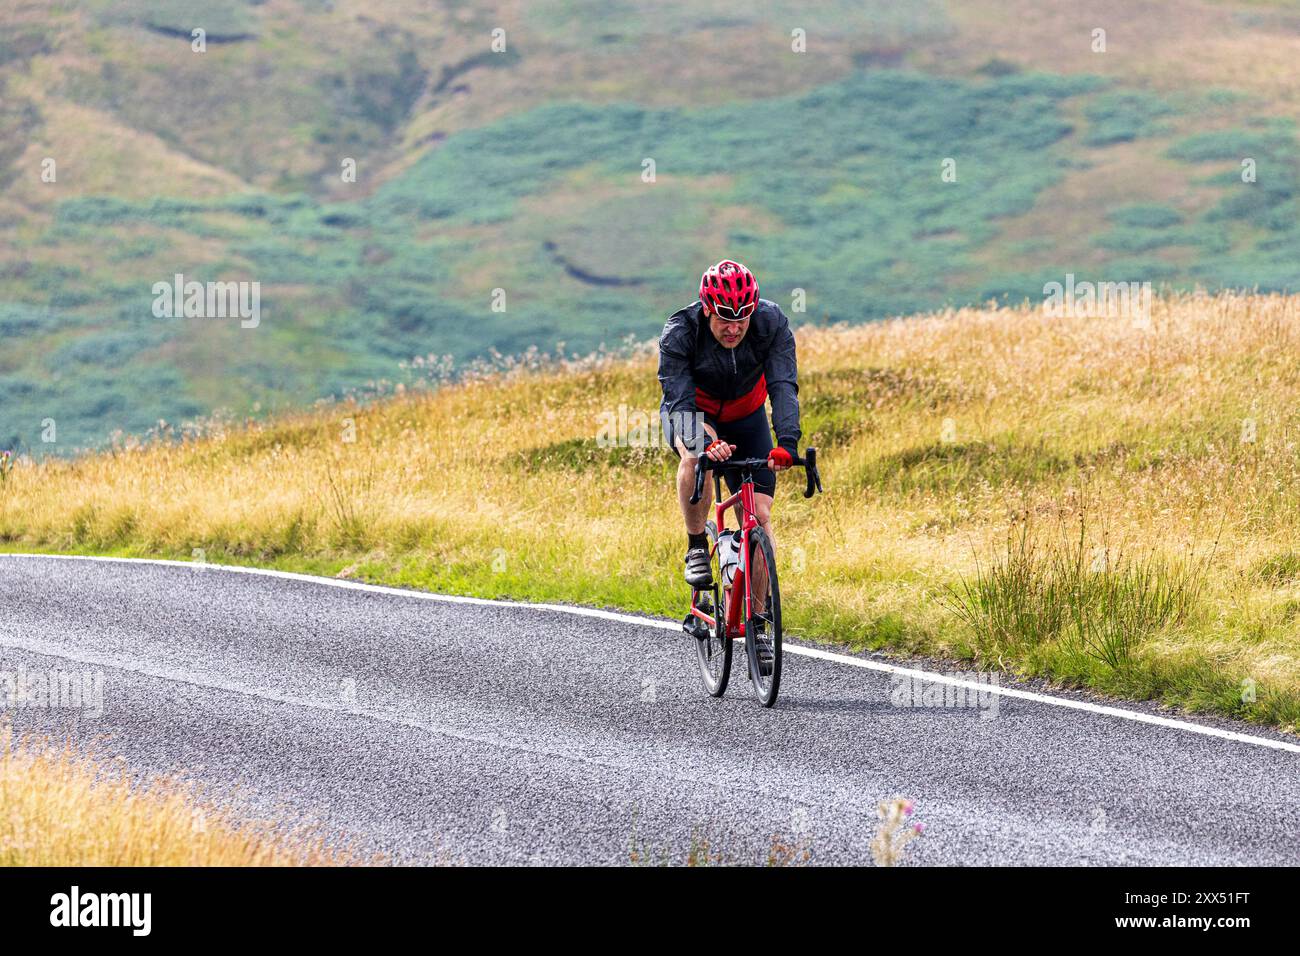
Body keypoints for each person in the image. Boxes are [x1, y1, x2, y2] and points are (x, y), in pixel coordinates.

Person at [657, 259, 802, 590]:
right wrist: (705, 445)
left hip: (747, 416)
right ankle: (696, 547)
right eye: (725, 318)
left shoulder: (771, 323)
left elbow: (783, 385)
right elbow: (680, 403)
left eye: (742, 319)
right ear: (707, 309)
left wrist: (788, 443)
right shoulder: (680, 332)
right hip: (695, 415)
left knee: (760, 521)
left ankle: (761, 630)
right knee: (696, 460)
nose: (734, 329)